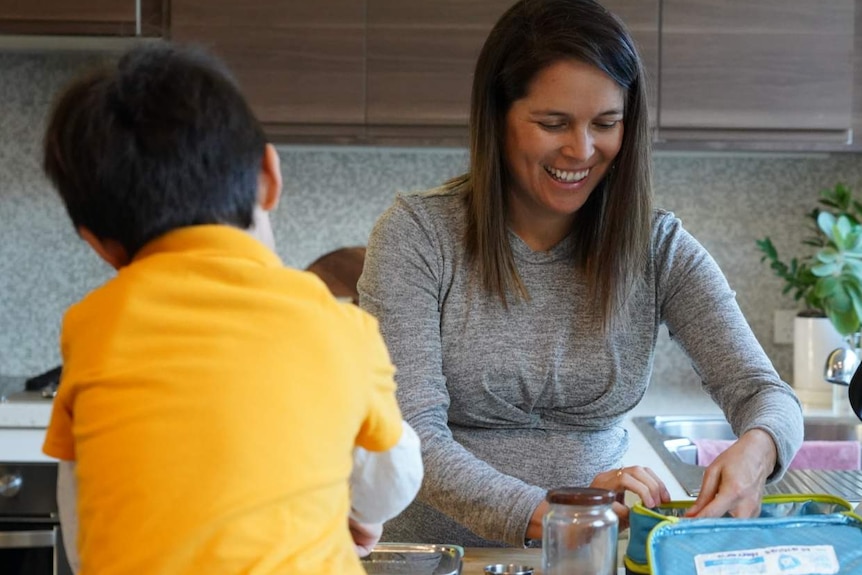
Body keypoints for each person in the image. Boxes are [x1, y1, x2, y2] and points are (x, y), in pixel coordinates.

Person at [357, 0, 804, 548]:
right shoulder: (417, 235)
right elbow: (409, 435)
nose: (582, 149)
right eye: (553, 123)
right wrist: (562, 513)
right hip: (439, 557)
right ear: (498, 116)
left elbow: (764, 392)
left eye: (606, 123)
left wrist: (758, 449)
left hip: (592, 557)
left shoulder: (658, 248)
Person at [40, 43, 422, 574]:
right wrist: (354, 508)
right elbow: (392, 483)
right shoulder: (336, 325)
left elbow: (82, 533)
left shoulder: (92, 330)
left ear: (97, 243)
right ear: (269, 174)